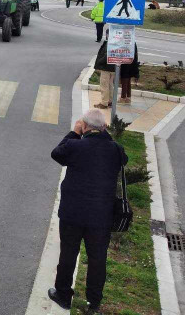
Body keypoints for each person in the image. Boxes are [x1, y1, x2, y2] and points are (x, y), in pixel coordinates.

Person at [48, 109, 128, 314]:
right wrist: (104, 133)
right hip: (101, 216)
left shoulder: (75, 146)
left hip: (72, 213)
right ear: (103, 128)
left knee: (68, 254)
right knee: (97, 258)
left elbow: (57, 153)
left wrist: (75, 133)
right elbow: (123, 159)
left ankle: (63, 295)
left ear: (84, 126)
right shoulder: (115, 150)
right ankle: (94, 302)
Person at [93, 30, 114, 108]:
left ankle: (104, 103)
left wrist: (99, 62)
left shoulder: (109, 43)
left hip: (106, 67)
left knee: (104, 85)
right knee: (110, 85)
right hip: (113, 67)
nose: (107, 35)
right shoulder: (116, 42)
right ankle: (110, 101)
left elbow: (106, 56)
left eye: (107, 34)